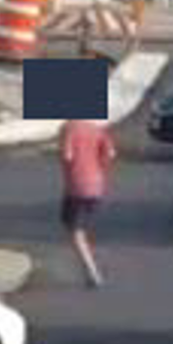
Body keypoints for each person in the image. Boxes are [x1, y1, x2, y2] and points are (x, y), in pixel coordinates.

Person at [59, 115, 118, 287]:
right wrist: (100, 167)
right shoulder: (96, 129)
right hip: (97, 185)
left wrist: (69, 169)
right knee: (79, 227)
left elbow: (67, 155)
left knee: (75, 231)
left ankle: (92, 272)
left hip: (76, 186)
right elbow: (111, 153)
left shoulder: (69, 128)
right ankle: (90, 267)